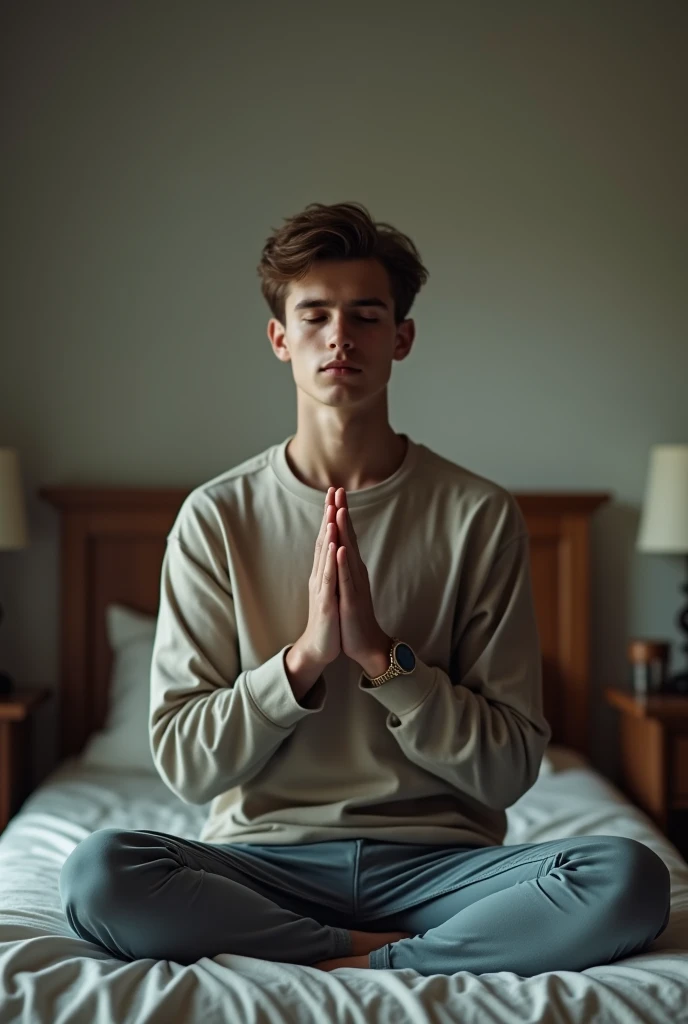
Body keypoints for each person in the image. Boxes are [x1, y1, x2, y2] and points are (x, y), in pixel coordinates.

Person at [59, 201, 671, 975]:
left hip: (441, 869)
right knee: (99, 875)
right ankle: (385, 957)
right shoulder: (216, 517)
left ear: (401, 337)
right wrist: (305, 661)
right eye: (314, 315)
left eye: (366, 316)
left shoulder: (477, 515)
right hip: (265, 868)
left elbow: (511, 768)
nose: (340, 337)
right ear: (281, 338)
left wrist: (385, 663)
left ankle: (369, 955)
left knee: (628, 878)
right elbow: (187, 764)